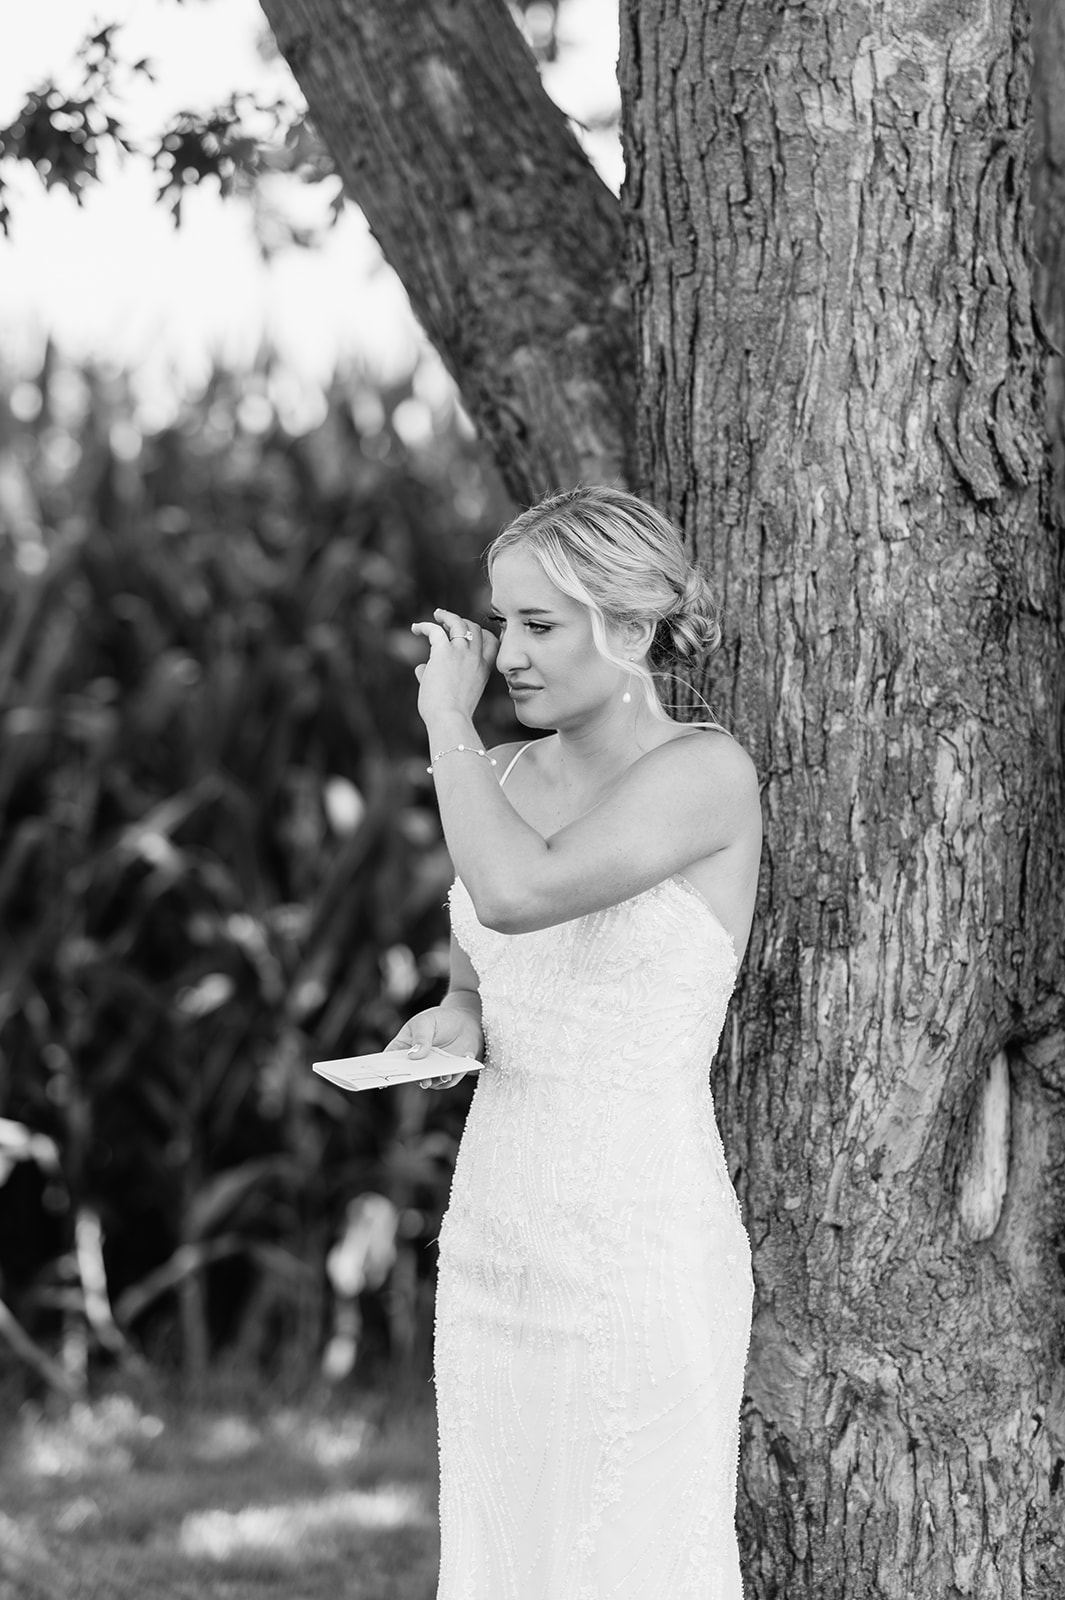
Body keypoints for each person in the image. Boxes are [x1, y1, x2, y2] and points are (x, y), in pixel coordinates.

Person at [387, 485, 761, 1599]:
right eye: (500, 622)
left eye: (540, 624)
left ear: (631, 627)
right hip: (497, 1241)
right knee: (505, 1557)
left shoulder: (706, 774)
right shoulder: (498, 778)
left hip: (639, 1245)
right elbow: (478, 972)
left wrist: (445, 724)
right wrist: (452, 1023)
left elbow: (516, 893)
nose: (506, 655)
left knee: (632, 1558)